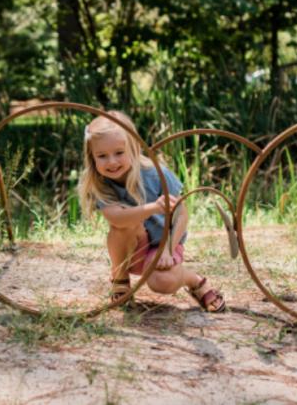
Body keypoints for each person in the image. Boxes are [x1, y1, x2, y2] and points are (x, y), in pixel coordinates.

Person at [78, 111, 226, 312]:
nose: (111, 162)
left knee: (163, 282)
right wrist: (154, 207)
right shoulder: (101, 183)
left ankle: (194, 280)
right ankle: (120, 278)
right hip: (131, 250)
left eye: (119, 153)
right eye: (102, 156)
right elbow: (117, 218)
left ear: (135, 148)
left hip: (163, 245)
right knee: (125, 223)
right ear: (92, 157)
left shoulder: (155, 173)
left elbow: (181, 215)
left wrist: (168, 247)